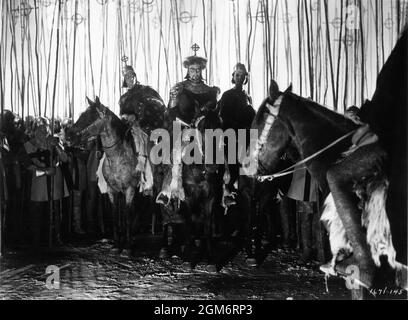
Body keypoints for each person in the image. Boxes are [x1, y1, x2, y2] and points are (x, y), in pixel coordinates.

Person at [17, 117, 69, 248]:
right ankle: (37, 241)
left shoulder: (54, 143)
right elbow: (27, 166)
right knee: (37, 212)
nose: (42, 132)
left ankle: (56, 238)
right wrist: (45, 171)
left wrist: (56, 145)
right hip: (38, 184)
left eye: (44, 129)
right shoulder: (27, 146)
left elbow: (65, 158)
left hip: (55, 182)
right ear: (34, 130)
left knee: (56, 211)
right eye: (39, 129)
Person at [119, 65, 165, 195]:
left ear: (135, 76)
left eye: (131, 75)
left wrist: (141, 116)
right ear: (124, 79)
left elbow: (159, 104)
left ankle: (150, 180)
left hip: (147, 126)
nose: (130, 78)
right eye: (127, 76)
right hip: (130, 127)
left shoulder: (146, 90)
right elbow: (121, 114)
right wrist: (127, 117)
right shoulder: (123, 98)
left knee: (148, 145)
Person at [218, 63, 255, 205]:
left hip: (247, 138)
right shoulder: (227, 95)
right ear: (233, 77)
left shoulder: (248, 97)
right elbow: (224, 118)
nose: (239, 77)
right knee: (231, 171)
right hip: (231, 137)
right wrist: (241, 128)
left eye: (242, 75)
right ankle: (226, 192)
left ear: (246, 77)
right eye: (237, 74)